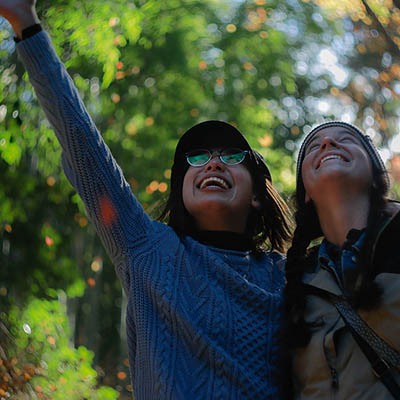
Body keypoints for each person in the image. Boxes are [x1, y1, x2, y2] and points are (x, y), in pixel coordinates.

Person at [1, 1, 293, 398]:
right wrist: (26, 25)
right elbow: (83, 146)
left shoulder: (290, 277)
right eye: (197, 157)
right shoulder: (148, 250)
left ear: (258, 195)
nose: (212, 163)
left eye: (229, 155)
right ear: (182, 192)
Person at [285, 120, 400, 399]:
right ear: (307, 194)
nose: (327, 144)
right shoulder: (292, 286)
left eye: (346, 139)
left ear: (376, 177)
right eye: (314, 145)